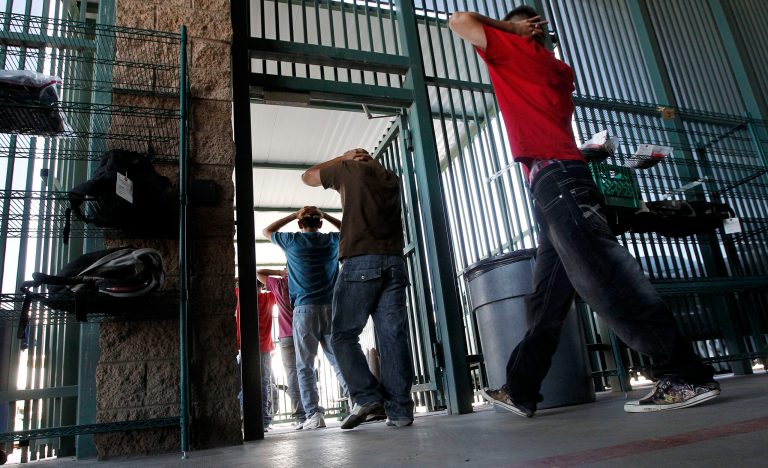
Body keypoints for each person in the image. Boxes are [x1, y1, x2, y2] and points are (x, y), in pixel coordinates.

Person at [448, 6, 719, 417]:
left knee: (605, 276)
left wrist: (509, 29)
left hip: (556, 178)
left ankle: (685, 375)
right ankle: (521, 388)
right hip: (556, 180)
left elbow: (459, 19)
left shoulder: (512, 50)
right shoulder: (558, 69)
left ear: (524, 29)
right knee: (547, 298)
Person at [302, 148, 415, 429]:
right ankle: (400, 411)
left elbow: (307, 177)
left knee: (341, 334)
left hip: (361, 261)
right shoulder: (391, 178)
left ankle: (367, 396)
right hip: (394, 262)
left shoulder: (348, 169)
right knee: (393, 337)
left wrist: (342, 157)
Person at [263, 206, 348, 430]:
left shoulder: (291, 241)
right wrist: (325, 215)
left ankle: (314, 414)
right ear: (320, 224)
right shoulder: (331, 241)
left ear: (300, 225)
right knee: (338, 360)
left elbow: (266, 231)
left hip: (304, 310)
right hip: (331, 308)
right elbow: (349, 228)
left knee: (305, 366)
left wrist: (293, 215)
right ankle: (358, 402)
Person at [257, 267, 307, 429]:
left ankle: (300, 416)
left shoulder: (279, 285)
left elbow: (258, 272)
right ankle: (313, 412)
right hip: (305, 333)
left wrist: (280, 273)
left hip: (286, 336)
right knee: (307, 371)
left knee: (292, 376)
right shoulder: (303, 283)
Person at [235, 279, 275, 431]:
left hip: (246, 347)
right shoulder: (268, 298)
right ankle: (263, 420)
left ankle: (246, 415)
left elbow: (233, 284)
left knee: (245, 383)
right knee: (263, 383)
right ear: (261, 287)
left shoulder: (240, 296)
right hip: (264, 348)